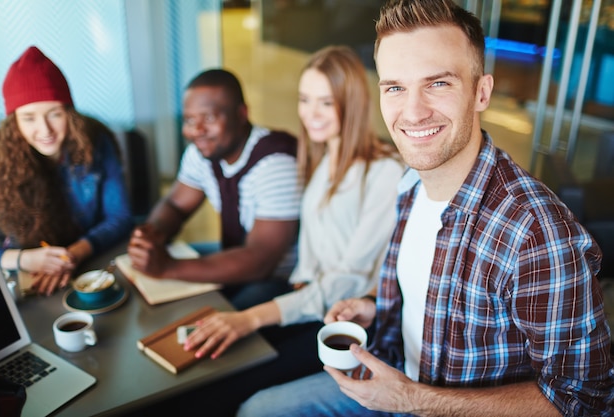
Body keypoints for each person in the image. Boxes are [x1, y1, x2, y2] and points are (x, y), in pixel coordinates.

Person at [237, 1, 614, 416]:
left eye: (438, 83)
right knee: (258, 409)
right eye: (395, 87)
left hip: (432, 403)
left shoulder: (536, 232)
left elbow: (584, 402)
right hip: (393, 374)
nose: (413, 113)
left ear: (481, 92)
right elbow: (430, 297)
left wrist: (413, 400)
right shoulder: (411, 182)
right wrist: (374, 307)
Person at [156, 45, 403, 417]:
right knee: (204, 353)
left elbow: (347, 282)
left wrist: (252, 318)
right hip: (302, 300)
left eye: (326, 102)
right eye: (305, 100)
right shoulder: (320, 159)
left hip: (340, 321)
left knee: (223, 386)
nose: (311, 114)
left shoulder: (383, 170)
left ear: (352, 103)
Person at [127, 69, 302, 309]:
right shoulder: (202, 152)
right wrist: (152, 235)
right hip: (235, 256)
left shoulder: (276, 163)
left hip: (282, 279)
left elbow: (261, 259)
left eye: (208, 118)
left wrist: (168, 267)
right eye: (189, 120)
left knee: (206, 321)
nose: (197, 130)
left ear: (242, 114)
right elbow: (175, 205)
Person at [0, 46, 133, 296]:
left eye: (54, 114)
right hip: (26, 283)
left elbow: (120, 217)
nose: (45, 130)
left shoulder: (96, 143)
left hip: (92, 267)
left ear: (69, 112)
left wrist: (72, 255)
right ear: (14, 122)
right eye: (29, 118)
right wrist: (24, 259)